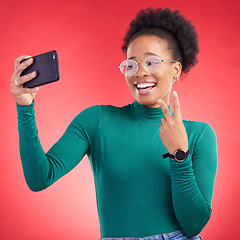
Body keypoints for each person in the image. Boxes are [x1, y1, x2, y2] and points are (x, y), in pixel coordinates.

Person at [10, 7, 218, 240]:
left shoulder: (199, 134)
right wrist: (24, 107)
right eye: (131, 65)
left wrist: (179, 154)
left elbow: (194, 226)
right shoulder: (96, 121)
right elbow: (40, 178)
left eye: (151, 62)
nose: (140, 73)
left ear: (176, 69)